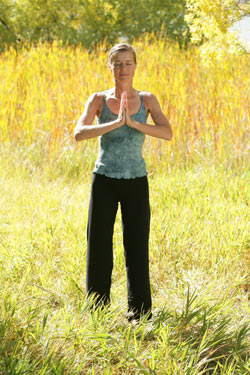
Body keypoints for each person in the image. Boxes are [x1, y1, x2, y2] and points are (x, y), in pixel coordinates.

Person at [74, 43, 172, 321]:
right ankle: (97, 311)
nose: (123, 69)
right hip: (104, 179)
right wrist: (115, 123)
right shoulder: (97, 99)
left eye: (128, 63)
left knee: (137, 245)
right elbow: (79, 133)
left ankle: (140, 313)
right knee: (99, 245)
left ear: (135, 66)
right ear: (110, 67)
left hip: (136, 181)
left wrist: (135, 124)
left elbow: (167, 132)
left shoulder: (148, 99)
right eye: (118, 63)